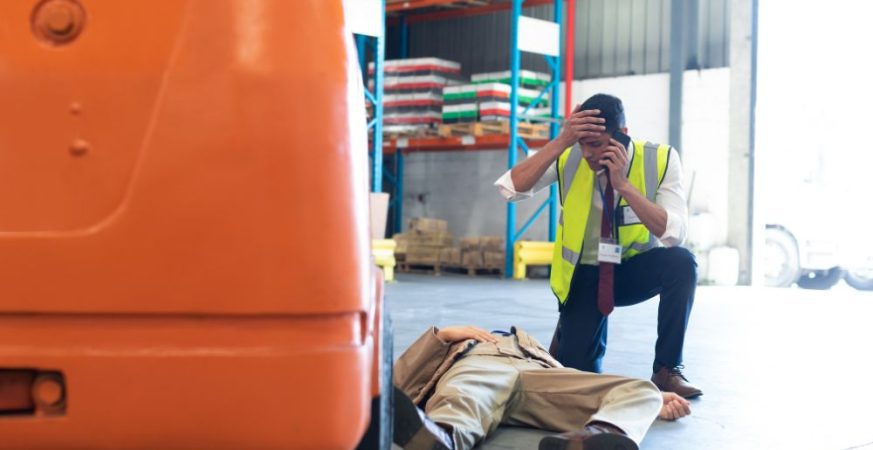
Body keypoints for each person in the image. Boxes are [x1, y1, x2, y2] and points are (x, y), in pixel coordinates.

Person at [494, 93, 701, 398]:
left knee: (683, 263)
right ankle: (570, 328)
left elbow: (673, 234)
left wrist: (624, 186)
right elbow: (509, 189)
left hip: (633, 271)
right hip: (585, 279)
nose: (588, 154)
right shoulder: (569, 156)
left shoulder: (660, 160)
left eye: (596, 144)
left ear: (622, 136)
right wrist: (562, 141)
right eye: (582, 143)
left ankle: (667, 370)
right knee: (577, 383)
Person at [393, 325, 691, 450]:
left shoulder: (531, 346)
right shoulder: (462, 346)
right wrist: (443, 335)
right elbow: (399, 382)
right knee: (464, 396)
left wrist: (650, 401)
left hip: (538, 375)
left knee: (641, 387)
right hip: (478, 366)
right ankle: (442, 438)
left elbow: (573, 379)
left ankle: (599, 435)